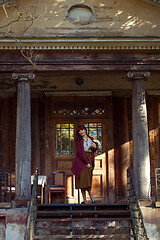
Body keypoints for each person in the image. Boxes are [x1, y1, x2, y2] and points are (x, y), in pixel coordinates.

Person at [71, 125, 97, 204]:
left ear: (85, 130)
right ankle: (88, 198)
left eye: (82, 130)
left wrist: (95, 147)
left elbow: (93, 150)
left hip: (89, 159)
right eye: (79, 131)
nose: (81, 132)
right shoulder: (78, 141)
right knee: (82, 180)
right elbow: (80, 153)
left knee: (88, 179)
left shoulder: (91, 139)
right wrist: (86, 162)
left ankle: (87, 199)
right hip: (81, 161)